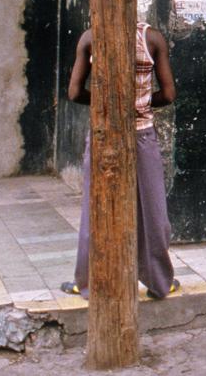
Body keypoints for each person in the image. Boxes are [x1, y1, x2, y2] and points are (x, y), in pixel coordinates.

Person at [62, 22, 179, 299]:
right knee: (152, 211)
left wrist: (107, 103)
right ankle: (160, 282)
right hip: (141, 134)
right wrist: (135, 104)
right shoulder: (152, 38)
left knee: (95, 208)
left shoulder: (90, 37)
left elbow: (75, 92)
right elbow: (169, 94)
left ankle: (88, 282)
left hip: (103, 134)